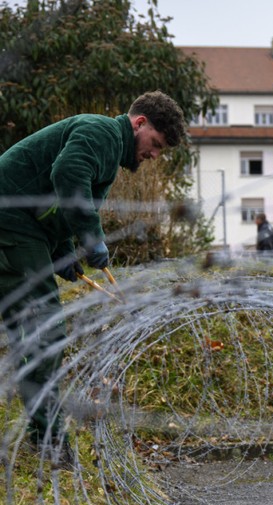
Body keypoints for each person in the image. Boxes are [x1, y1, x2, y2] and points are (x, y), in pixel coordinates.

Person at [0, 91, 186, 467]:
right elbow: (67, 175)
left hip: (23, 227)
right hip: (9, 225)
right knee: (46, 331)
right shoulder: (100, 131)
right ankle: (47, 438)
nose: (152, 156)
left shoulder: (107, 155)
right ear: (139, 124)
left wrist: (64, 253)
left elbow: (53, 204)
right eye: (154, 145)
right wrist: (92, 237)